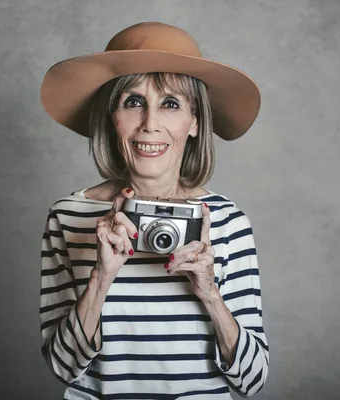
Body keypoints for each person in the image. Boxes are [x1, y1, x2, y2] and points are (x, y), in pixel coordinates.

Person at [38, 22, 269, 399]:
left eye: (171, 104)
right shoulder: (69, 216)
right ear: (112, 117)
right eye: (133, 102)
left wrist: (209, 294)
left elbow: (253, 379)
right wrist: (101, 276)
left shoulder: (227, 221)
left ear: (194, 122)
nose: (150, 124)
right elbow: (63, 368)